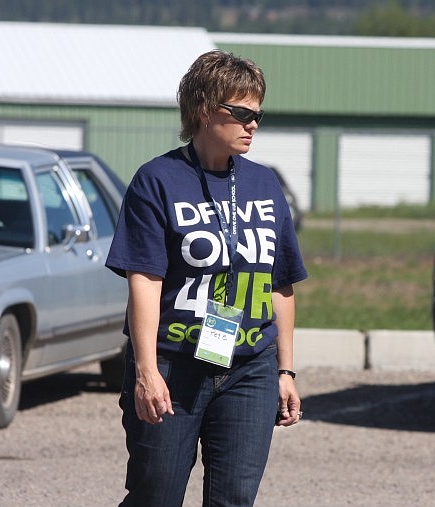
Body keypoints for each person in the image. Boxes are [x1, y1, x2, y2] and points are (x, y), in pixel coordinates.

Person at [105, 49, 308, 507]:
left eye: (258, 114)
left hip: (249, 367)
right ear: (203, 109)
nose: (252, 123)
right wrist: (146, 371)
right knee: (155, 496)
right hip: (174, 364)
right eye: (240, 112)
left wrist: (285, 370)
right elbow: (144, 280)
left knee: (234, 498)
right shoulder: (157, 180)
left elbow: (281, 283)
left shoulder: (264, 184)